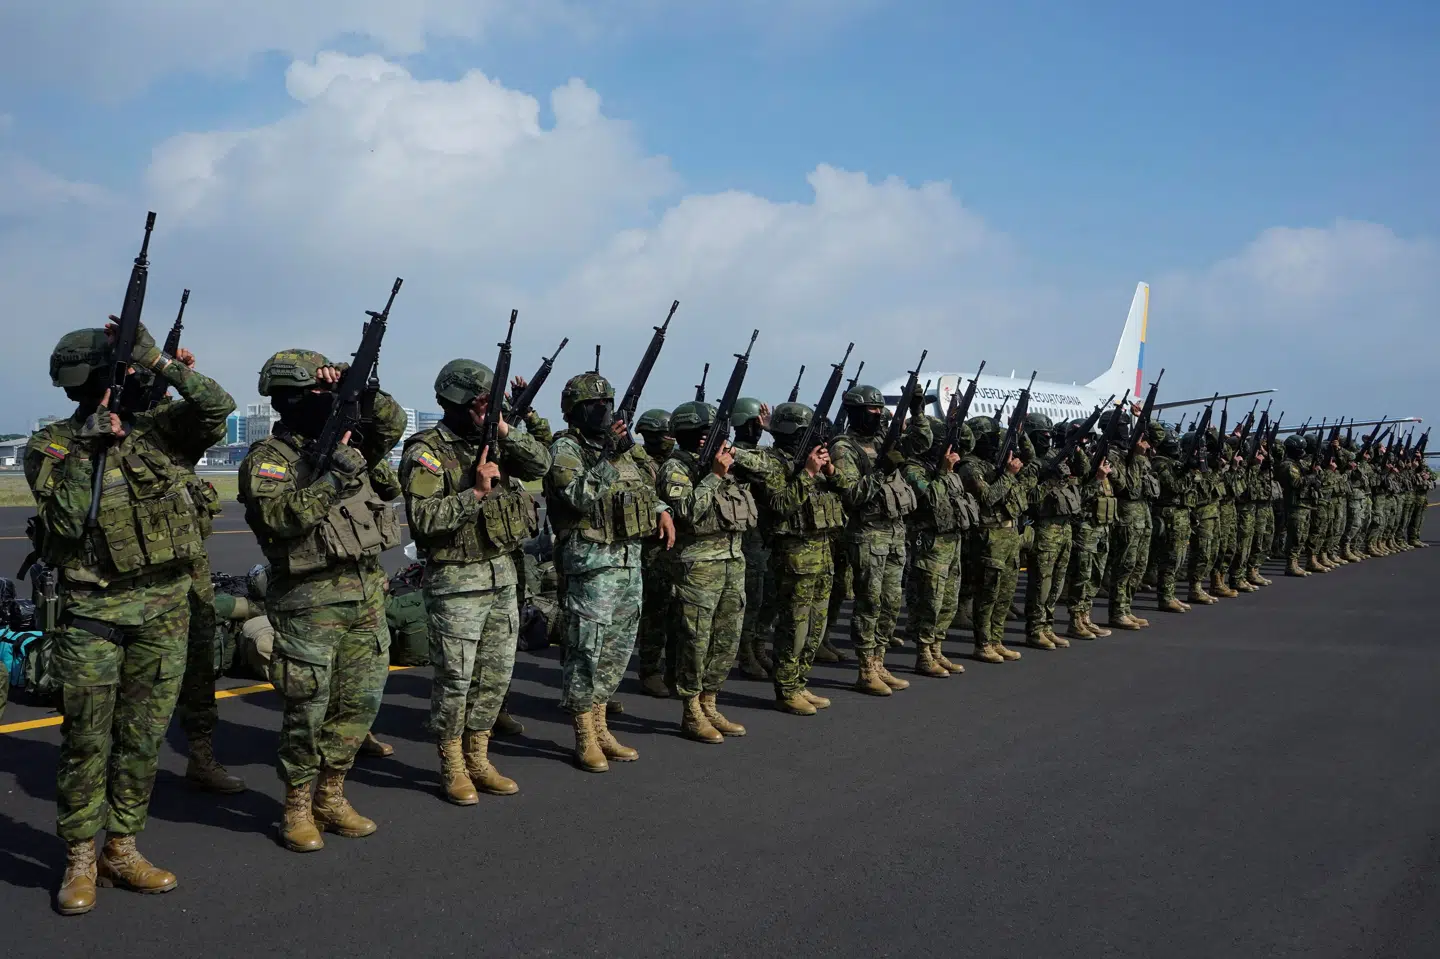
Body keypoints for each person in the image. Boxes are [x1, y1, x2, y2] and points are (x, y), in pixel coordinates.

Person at [28, 322, 234, 915]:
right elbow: (63, 529)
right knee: (87, 740)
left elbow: (215, 404)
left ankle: (121, 846)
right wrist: (88, 450)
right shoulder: (54, 446)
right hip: (94, 613)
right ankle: (79, 857)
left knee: (142, 739)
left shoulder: (159, 432)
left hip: (163, 612)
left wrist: (159, 360)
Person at [239, 349, 406, 853]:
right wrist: (334, 480)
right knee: (306, 710)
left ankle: (331, 796)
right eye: (319, 392)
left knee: (358, 705)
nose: (327, 400)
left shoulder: (350, 445)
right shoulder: (269, 459)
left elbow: (391, 426)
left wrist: (363, 391)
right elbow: (280, 519)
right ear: (289, 399)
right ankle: (296, 806)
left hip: (366, 596)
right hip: (308, 603)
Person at [399, 359, 551, 804]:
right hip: (457, 581)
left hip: (502, 574)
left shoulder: (495, 440)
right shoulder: (426, 450)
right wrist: (476, 493)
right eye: (482, 401)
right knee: (456, 679)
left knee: (495, 675)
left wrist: (504, 430)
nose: (489, 407)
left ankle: (480, 757)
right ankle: (452, 764)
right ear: (458, 401)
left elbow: (540, 462)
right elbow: (425, 520)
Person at [545, 372, 674, 772]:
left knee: (616, 650)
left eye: (607, 403)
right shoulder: (565, 448)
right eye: (593, 405)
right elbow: (580, 496)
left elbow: (643, 486)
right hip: (590, 564)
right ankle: (584, 734)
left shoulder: (618, 448)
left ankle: (602, 728)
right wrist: (608, 458)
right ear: (573, 410)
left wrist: (660, 510)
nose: (602, 411)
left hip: (627, 561)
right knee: (587, 650)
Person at [658, 401, 762, 742]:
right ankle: (691, 708)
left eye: (711, 433)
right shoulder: (674, 469)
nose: (706, 439)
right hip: (698, 565)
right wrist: (714, 476)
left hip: (733, 559)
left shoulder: (727, 461)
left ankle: (710, 701)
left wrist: (734, 458)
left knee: (727, 637)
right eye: (701, 434)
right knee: (696, 640)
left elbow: (768, 470)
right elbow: (687, 511)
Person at [828, 386, 928, 693]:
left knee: (890, 603)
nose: (878, 415)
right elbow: (852, 495)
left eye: (879, 410)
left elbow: (921, 442)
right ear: (856, 412)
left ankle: (879, 661)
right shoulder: (844, 448)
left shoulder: (885, 439)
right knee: (869, 603)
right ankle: (865, 668)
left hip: (895, 533)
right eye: (872, 411)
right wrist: (880, 471)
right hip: (868, 535)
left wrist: (918, 411)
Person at [754, 403, 840, 714]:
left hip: (822, 551)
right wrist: (807, 473)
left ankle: (801, 682)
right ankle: (786, 688)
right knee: (794, 626)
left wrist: (828, 471)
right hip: (794, 555)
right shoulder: (774, 462)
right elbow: (779, 504)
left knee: (816, 625)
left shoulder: (808, 460)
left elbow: (845, 493)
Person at [902, 415, 978, 673]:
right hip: (930, 543)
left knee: (948, 601)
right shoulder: (913, 469)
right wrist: (944, 472)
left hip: (952, 541)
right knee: (930, 601)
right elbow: (933, 496)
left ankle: (937, 649)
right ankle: (924, 653)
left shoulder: (947, 470)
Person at [958, 416, 1030, 663]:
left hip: (1009, 535)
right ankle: (983, 643)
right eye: (989, 438)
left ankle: (997, 640)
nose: (994, 443)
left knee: (1005, 594)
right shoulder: (970, 466)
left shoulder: (996, 464)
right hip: (989, 536)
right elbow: (987, 498)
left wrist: (1019, 435)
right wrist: (1008, 475)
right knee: (987, 593)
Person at [730, 397, 779, 681]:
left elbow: (778, 464)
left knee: (767, 596)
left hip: (764, 533)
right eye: (753, 423)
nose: (757, 428)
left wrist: (773, 429)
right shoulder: (733, 454)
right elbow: (767, 467)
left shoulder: (757, 452)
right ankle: (746, 653)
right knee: (751, 598)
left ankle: (758, 645)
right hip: (747, 536)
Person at [1021, 413, 1079, 649]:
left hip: (1064, 528)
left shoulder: (1055, 457)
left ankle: (1048, 626)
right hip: (1045, 529)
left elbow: (1082, 469)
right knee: (1041, 584)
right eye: (1041, 436)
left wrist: (1074, 444)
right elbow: (1029, 499)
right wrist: (1050, 481)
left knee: (1057, 583)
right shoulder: (1032, 466)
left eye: (1049, 436)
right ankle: (1035, 629)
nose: (1047, 440)